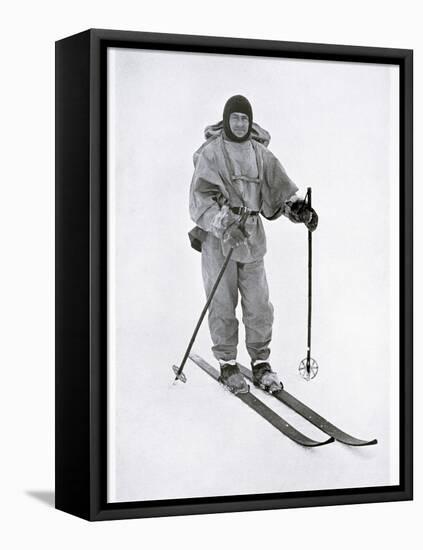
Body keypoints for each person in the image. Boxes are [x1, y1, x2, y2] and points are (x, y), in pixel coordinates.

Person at [189, 95, 318, 394]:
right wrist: (224, 224)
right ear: (226, 120)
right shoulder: (211, 153)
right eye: (234, 118)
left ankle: (261, 362)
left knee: (259, 304)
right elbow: (200, 199)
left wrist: (298, 209)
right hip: (219, 239)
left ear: (250, 121)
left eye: (244, 118)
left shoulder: (260, 154)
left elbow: (279, 189)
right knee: (222, 301)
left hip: (252, 236)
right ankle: (228, 362)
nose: (240, 123)